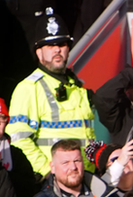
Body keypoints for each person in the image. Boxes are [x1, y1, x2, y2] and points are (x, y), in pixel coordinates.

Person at [7, 9, 96, 178]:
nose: (57, 50)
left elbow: (87, 137)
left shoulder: (78, 87)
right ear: (39, 52)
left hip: (86, 176)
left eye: (62, 45)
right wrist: (46, 171)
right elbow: (18, 139)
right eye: (50, 46)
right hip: (53, 180)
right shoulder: (29, 87)